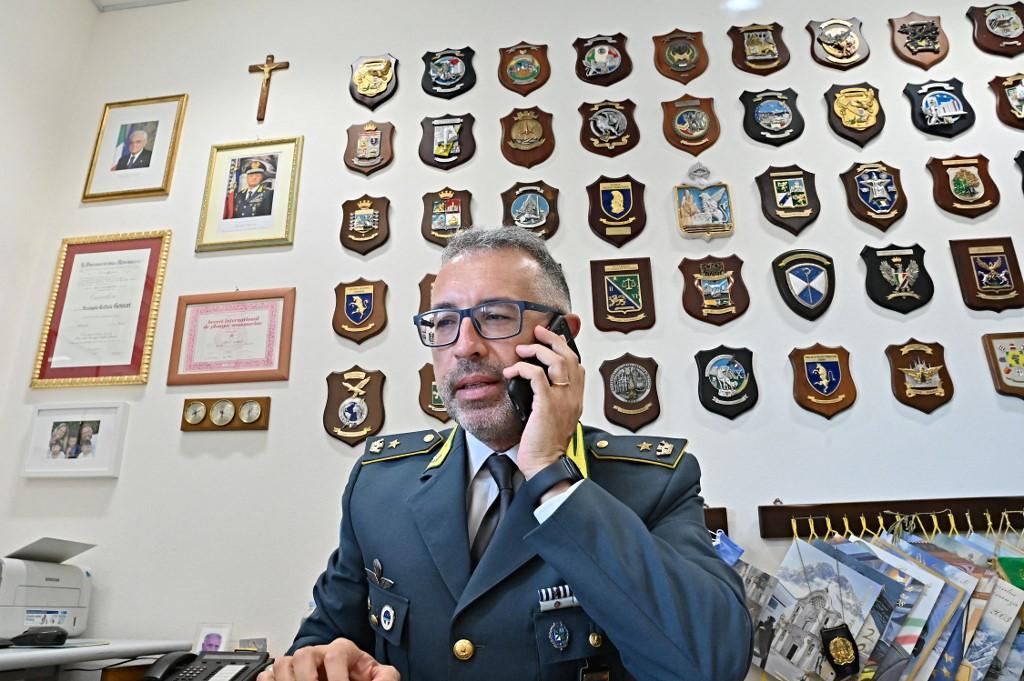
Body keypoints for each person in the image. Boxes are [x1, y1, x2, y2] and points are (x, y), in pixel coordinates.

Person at [261, 227, 752, 681]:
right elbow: (327, 634)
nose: (464, 347)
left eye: (494, 316)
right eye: (444, 322)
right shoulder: (378, 483)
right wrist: (321, 662)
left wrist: (550, 472)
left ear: (562, 336)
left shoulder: (653, 483)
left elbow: (708, 664)